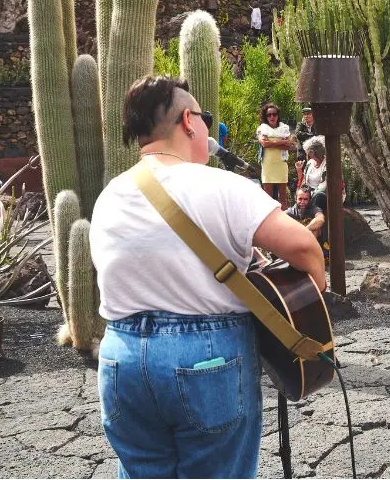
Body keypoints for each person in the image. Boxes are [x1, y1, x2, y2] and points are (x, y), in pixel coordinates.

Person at [90, 76, 326, 479]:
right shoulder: (223, 185)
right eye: (204, 117)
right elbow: (304, 247)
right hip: (205, 357)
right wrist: (310, 294)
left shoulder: (110, 193)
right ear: (188, 120)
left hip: (120, 357)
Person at [256, 103, 293, 208]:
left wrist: (271, 142)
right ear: (265, 116)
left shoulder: (284, 128)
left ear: (278, 115)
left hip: (281, 164)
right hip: (268, 165)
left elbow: (288, 146)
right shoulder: (262, 128)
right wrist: (280, 142)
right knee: (268, 197)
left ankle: (284, 221)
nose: (272, 117)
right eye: (269, 115)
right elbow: (264, 144)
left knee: (282, 197)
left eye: (274, 114)